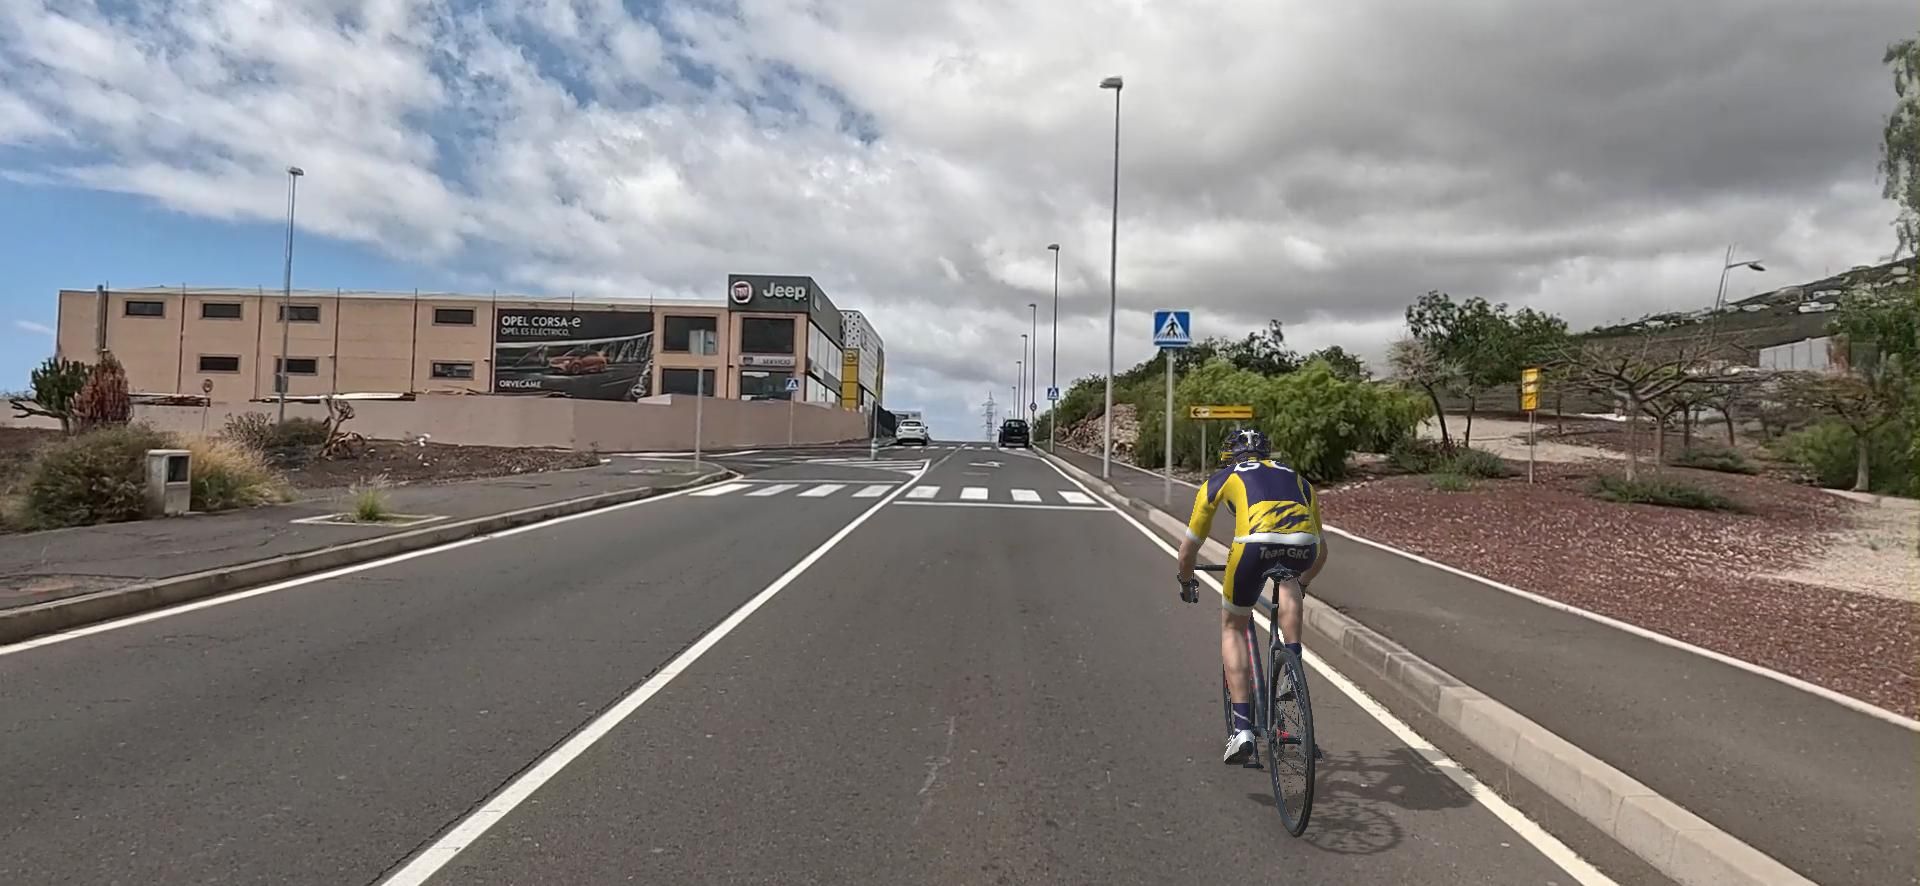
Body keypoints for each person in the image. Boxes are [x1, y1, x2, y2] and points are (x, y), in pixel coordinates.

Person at [1175, 428, 1328, 765]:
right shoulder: (1298, 480)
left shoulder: (1223, 478)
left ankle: (1242, 730)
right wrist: (1304, 584)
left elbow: (1188, 551)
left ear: (1231, 456)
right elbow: (1322, 552)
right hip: (1303, 548)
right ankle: (1292, 665)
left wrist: (1186, 581)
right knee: (1289, 582)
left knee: (1233, 626)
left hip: (1252, 547)